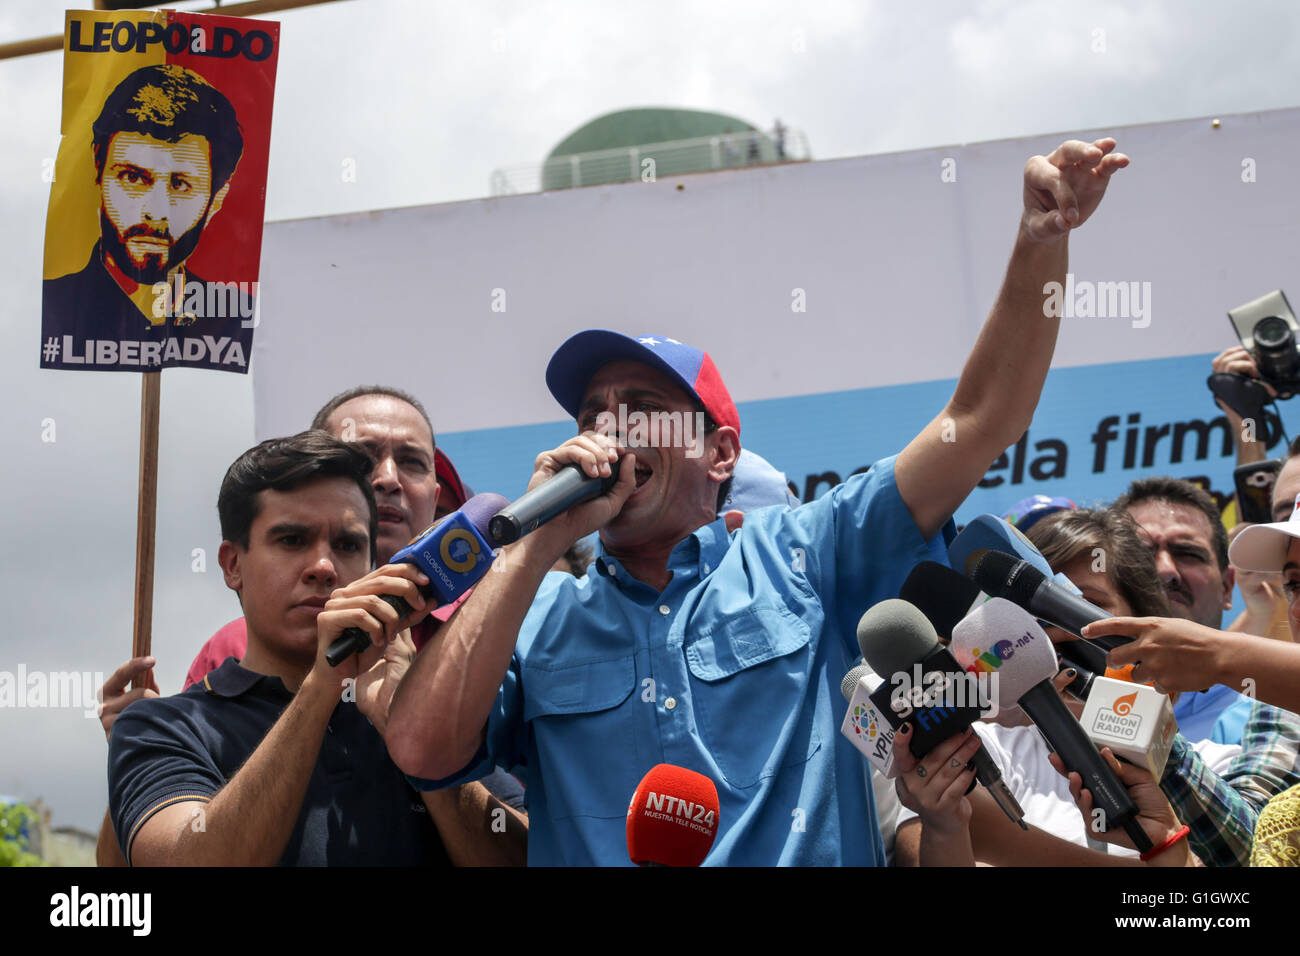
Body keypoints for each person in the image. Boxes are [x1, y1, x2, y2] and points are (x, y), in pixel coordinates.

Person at [385, 137, 1130, 865]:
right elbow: (422, 753)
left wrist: (1040, 240)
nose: (608, 429)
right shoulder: (536, 609)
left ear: (720, 454)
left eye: (643, 406)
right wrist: (533, 547)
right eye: (591, 415)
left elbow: (976, 423)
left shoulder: (808, 552)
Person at [97, 387, 525, 864]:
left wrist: (414, 738)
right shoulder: (162, 725)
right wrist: (324, 685)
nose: (322, 566)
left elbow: (526, 857)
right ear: (231, 563)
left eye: (346, 545)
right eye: (292, 539)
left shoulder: (428, 706)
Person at [895, 507, 1220, 865]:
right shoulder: (979, 755)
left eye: (1087, 606)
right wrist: (948, 829)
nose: (1052, 634)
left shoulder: (1214, 762)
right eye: (1030, 617)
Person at [43, 65, 254, 366]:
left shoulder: (235, 315)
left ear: (216, 199)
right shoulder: (61, 305)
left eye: (180, 184)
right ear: (98, 171)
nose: (156, 211)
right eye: (133, 177)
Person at [1114, 477, 1253, 741]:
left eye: (1187, 553)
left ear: (1227, 586)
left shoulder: (1276, 713)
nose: (1165, 570)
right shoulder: (1057, 706)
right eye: (1140, 554)